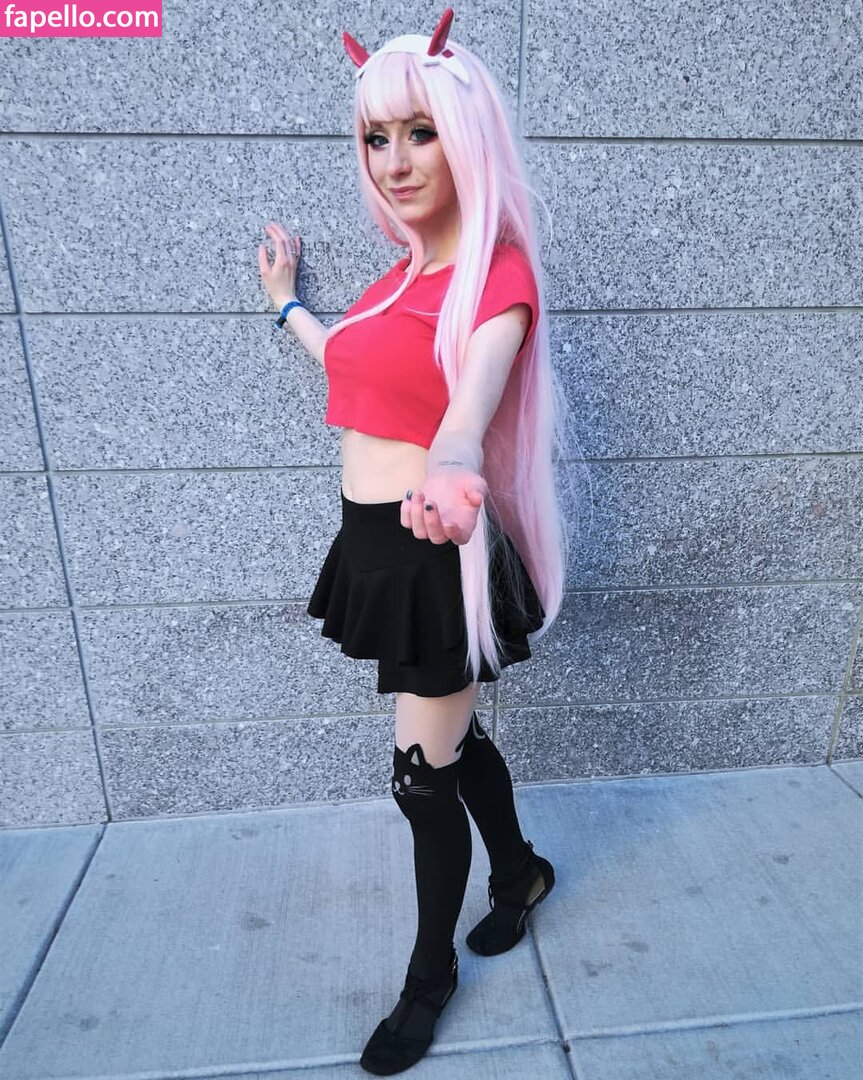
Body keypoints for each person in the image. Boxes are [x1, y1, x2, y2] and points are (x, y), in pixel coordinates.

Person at [258, 7, 580, 1074]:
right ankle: (520, 872)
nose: (394, 161)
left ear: (465, 137)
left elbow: (466, 403)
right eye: (375, 138)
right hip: (373, 554)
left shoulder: (497, 275)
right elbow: (353, 370)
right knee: (451, 742)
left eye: (420, 132)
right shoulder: (392, 279)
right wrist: (286, 308)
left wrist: (455, 462)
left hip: (437, 551)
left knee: (419, 780)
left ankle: (428, 979)